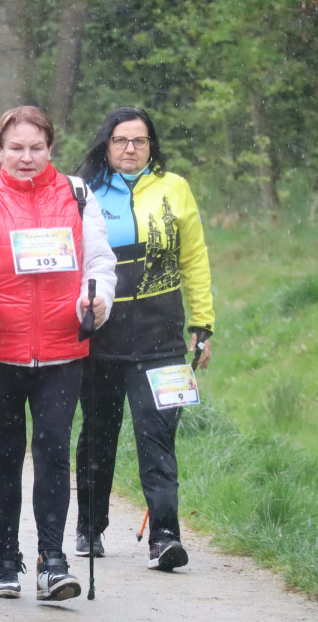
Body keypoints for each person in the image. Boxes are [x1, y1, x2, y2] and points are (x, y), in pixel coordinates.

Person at [0, 105, 116, 602]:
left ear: (50, 149)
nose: (26, 157)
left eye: (36, 147)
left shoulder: (78, 195)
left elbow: (99, 262)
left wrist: (97, 298)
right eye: (15, 148)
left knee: (55, 452)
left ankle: (53, 559)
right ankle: (4, 559)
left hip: (63, 349)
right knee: (3, 456)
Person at [72, 107, 215, 571]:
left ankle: (166, 536)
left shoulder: (175, 188)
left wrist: (203, 325)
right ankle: (90, 528)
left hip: (163, 335)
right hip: (101, 335)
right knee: (98, 433)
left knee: (158, 436)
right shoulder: (84, 191)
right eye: (121, 141)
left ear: (152, 144)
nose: (130, 148)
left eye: (139, 140)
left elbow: (193, 258)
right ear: (106, 145)